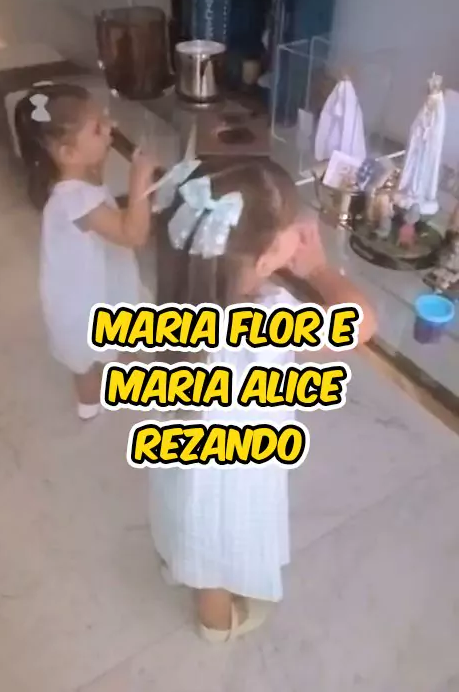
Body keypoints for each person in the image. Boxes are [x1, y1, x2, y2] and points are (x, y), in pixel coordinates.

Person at [149, 157, 376, 643]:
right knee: (219, 539)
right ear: (265, 258)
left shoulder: (184, 293)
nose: (301, 226)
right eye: (290, 224)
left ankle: (182, 560)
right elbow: (360, 324)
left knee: (190, 516)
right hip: (238, 463)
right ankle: (216, 622)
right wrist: (318, 269)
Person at [17, 83, 155, 420]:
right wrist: (140, 181)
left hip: (91, 285)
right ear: (68, 154)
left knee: (106, 345)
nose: (111, 127)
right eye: (98, 128)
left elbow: (98, 188)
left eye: (106, 119)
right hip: (86, 301)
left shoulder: (73, 183)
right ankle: (98, 401)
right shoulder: (75, 200)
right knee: (91, 355)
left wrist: (99, 151)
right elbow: (133, 233)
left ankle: (96, 401)